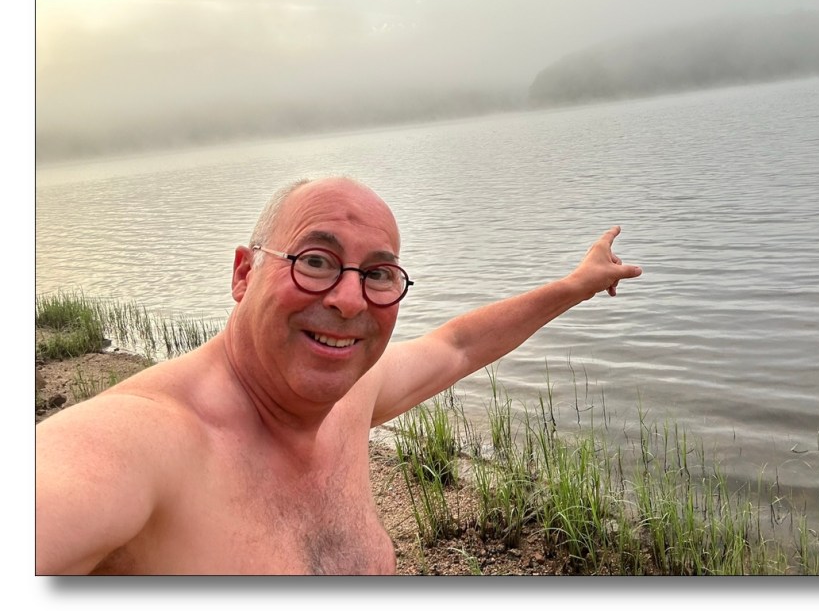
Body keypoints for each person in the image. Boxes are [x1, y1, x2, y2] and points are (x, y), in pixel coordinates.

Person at [35, 176, 643, 575]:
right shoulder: (139, 442)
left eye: (378, 273)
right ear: (244, 274)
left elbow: (456, 346)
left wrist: (575, 286)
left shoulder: (348, 399)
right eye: (316, 261)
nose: (350, 300)